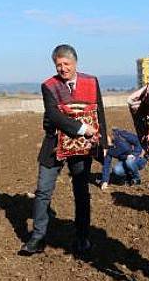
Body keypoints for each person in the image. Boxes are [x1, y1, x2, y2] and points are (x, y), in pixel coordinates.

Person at [19, 44, 107, 256]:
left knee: (81, 191)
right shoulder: (48, 86)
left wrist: (102, 143)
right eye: (58, 65)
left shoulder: (91, 81)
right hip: (54, 143)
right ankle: (37, 238)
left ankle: (82, 237)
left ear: (75, 63)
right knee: (43, 191)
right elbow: (53, 115)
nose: (63, 68)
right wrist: (82, 128)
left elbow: (99, 111)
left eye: (66, 64)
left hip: (83, 147)